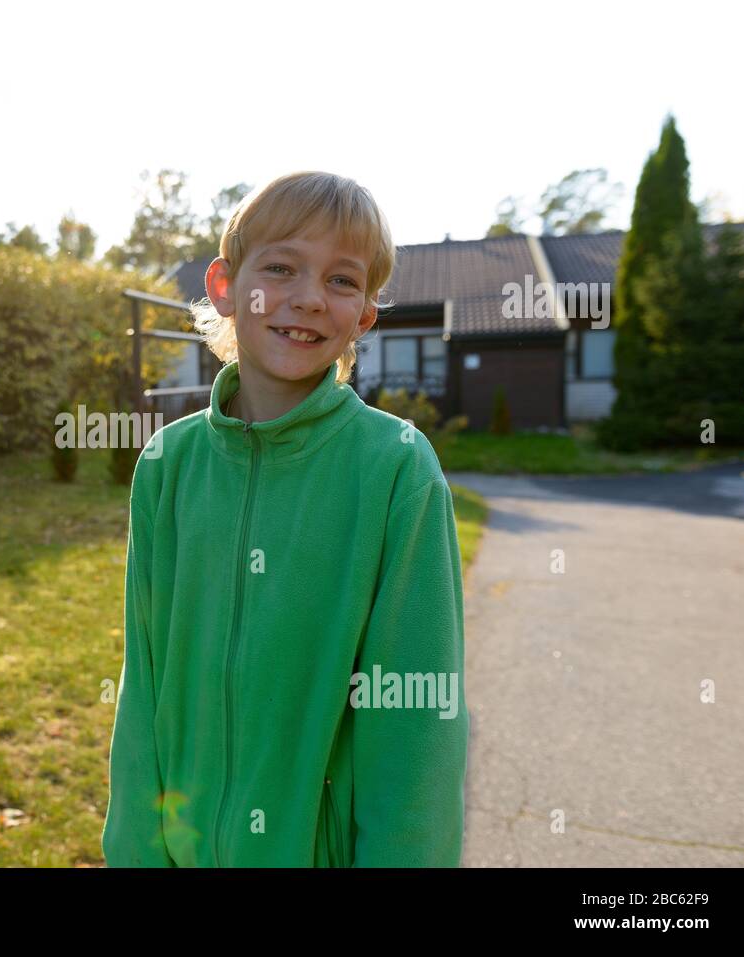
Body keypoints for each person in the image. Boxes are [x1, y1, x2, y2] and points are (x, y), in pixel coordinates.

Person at [101, 171, 468, 867]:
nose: (307, 297)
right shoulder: (166, 466)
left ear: (364, 315)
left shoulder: (395, 470)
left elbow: (418, 722)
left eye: (341, 279)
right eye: (281, 267)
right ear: (224, 287)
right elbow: (142, 683)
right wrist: (136, 850)